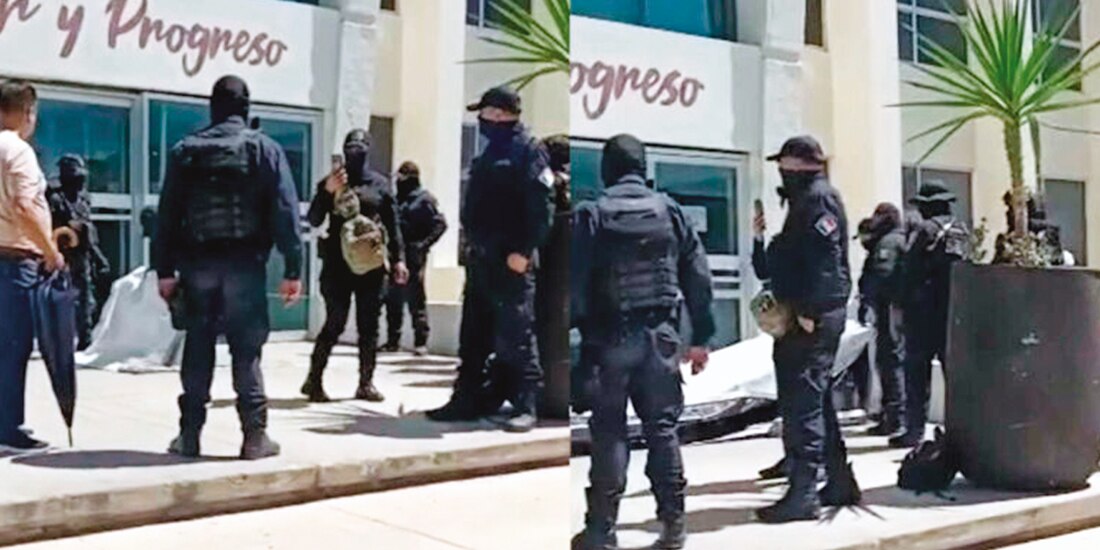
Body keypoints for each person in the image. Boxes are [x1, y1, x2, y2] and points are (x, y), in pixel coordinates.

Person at [571, 134, 714, 550]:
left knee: (610, 433)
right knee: (663, 431)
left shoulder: (592, 213)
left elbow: (575, 284)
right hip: (661, 339)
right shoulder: (670, 210)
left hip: (609, 337)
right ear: (644, 166)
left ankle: (601, 531)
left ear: (607, 168)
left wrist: (577, 332)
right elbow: (698, 275)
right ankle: (674, 528)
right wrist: (700, 337)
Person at [154, 75, 303, 460]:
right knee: (246, 351)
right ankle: (255, 437)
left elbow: (167, 215)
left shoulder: (185, 150)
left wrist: (165, 270)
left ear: (212, 107)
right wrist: (293, 267)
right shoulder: (263, 148)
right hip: (245, 265)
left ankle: (189, 436)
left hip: (197, 265)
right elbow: (285, 210)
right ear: (246, 107)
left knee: (198, 347)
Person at [427, 86, 554, 432]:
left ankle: (526, 404)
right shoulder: (489, 153)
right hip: (482, 260)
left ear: (499, 114)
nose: (481, 121)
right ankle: (464, 400)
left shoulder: (529, 151)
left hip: (511, 262)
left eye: (483, 114)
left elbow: (542, 208)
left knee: (517, 335)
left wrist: (524, 251)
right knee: (473, 335)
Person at [751, 135, 860, 523]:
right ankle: (838, 481)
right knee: (815, 401)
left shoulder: (818, 199)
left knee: (803, 405)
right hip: (806, 314)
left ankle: (803, 494)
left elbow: (825, 260)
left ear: (797, 165)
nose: (781, 171)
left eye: (784, 164)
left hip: (811, 317)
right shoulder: (806, 199)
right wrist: (759, 240)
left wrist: (810, 310)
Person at [303, 130, 408, 403]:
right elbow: (314, 219)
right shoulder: (330, 183)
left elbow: (393, 224)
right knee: (335, 323)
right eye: (351, 147)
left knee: (369, 326)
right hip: (338, 266)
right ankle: (314, 380)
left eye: (360, 147)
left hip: (371, 265)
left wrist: (399, 259)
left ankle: (366, 383)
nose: (355, 152)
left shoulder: (380, 185)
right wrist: (327, 192)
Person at [0, 80, 64, 451]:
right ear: (27, 113)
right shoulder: (18, 151)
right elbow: (25, 206)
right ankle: (7, 427)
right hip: (14, 261)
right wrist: (50, 250)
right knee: (13, 345)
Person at [889, 182, 970, 448]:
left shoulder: (926, 230)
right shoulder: (962, 231)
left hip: (923, 313)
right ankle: (960, 431)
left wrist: (899, 304)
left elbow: (910, 269)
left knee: (916, 374)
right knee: (955, 377)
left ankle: (915, 431)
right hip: (953, 312)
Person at [381, 161, 446, 356]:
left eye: (401, 178)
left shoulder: (424, 200)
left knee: (415, 298)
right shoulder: (396, 200)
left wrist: (423, 245)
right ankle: (393, 340)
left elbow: (440, 225)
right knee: (392, 298)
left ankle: (420, 342)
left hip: (414, 255)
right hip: (396, 254)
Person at [47, 155, 110, 351]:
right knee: (59, 299)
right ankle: (58, 339)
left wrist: (99, 257)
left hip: (82, 255)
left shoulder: (84, 198)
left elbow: (88, 229)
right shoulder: (55, 198)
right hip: (61, 253)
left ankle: (85, 338)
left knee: (84, 299)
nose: (80, 181)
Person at [856, 203, 908, 436]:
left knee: (889, 361)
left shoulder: (888, 243)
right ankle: (893, 414)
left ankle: (895, 417)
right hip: (894, 310)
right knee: (890, 361)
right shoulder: (898, 239)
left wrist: (870, 301)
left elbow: (882, 277)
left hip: (890, 310)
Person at [536, 134, 571, 417]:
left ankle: (552, 399)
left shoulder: (549, 181)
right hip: (569, 273)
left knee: (549, 334)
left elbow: (542, 221)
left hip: (550, 270)